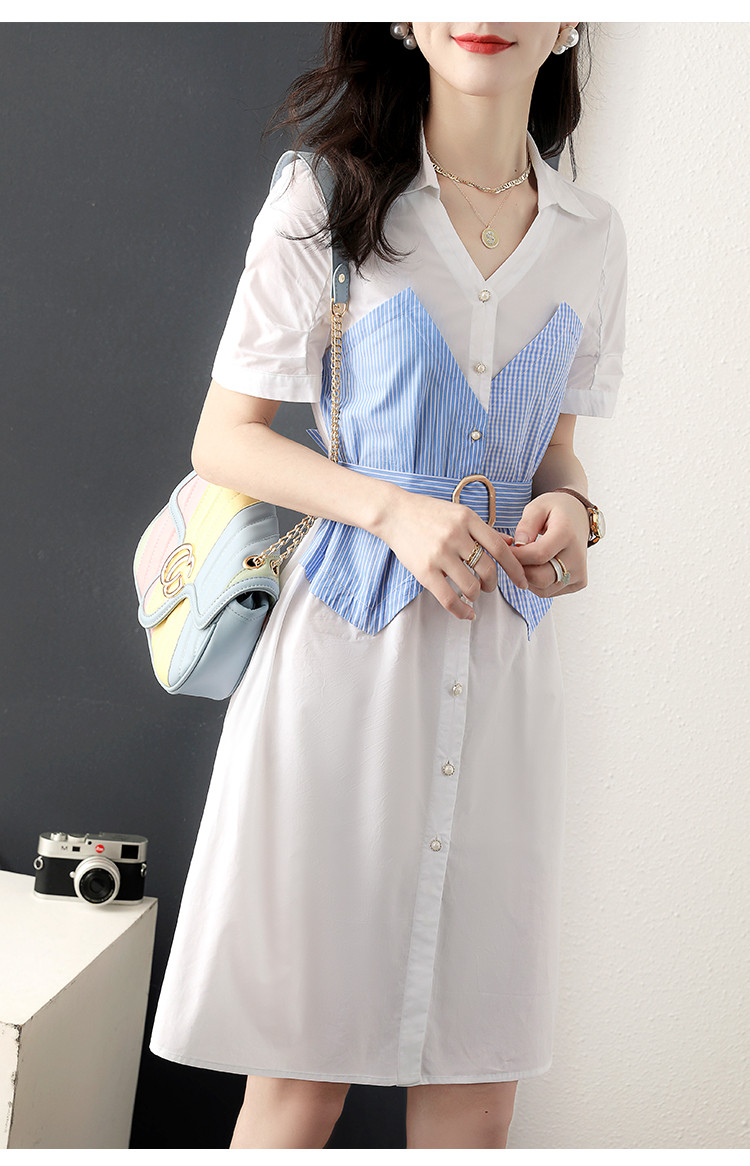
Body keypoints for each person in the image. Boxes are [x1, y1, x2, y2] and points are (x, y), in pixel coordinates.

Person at [148, 21, 626, 1150]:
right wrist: (389, 507)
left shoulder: (592, 236)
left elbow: (557, 453)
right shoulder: (325, 197)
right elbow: (224, 439)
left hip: (502, 688)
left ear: (569, 21)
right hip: (340, 680)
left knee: (477, 1094)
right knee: (299, 1084)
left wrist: (575, 512)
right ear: (403, 18)